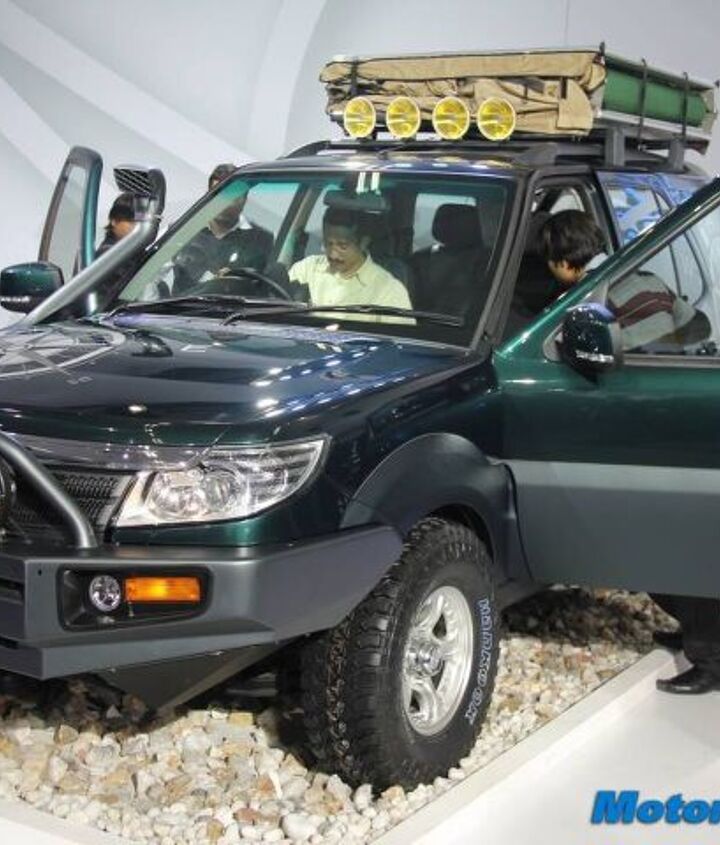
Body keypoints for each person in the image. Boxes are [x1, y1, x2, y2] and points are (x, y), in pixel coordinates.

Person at [541, 210, 720, 693]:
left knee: (666, 543)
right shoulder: (645, 278)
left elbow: (582, 367)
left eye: (549, 262)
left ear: (562, 262)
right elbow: (699, 327)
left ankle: (711, 659)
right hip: (679, 418)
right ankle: (699, 630)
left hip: (643, 429)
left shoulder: (588, 301)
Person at [288, 206, 413, 322]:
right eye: (328, 244)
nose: (333, 254)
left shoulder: (389, 290)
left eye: (342, 246)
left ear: (363, 243)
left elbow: (398, 337)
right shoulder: (307, 269)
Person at [173, 163, 272, 292]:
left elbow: (264, 289)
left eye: (231, 196)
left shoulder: (262, 240)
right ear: (208, 197)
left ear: (244, 199)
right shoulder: (182, 232)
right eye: (218, 195)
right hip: (181, 304)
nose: (223, 203)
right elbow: (153, 278)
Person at [96, 192, 136, 257]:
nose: (136, 226)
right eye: (131, 221)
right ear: (114, 221)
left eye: (140, 222)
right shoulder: (108, 254)